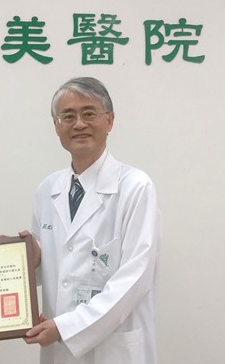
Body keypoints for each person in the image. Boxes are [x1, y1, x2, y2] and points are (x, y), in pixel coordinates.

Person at [22, 77, 161, 364]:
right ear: (56, 126)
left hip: (114, 350)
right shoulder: (47, 190)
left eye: (89, 113)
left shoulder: (135, 187)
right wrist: (32, 261)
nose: (79, 124)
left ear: (109, 121)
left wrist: (67, 327)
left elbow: (135, 278)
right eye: (68, 116)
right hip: (59, 348)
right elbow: (58, 270)